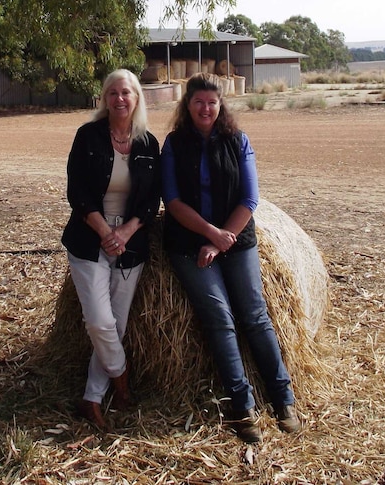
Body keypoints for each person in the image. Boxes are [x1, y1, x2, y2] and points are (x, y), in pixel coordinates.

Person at [160, 73, 301, 443]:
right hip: (190, 243)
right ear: (187, 106)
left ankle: (283, 399)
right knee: (220, 318)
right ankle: (243, 406)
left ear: (220, 105)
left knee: (255, 316)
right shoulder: (174, 145)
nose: (205, 108)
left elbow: (249, 199)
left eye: (212, 102)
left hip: (236, 240)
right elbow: (173, 202)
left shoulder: (238, 141)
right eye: (198, 102)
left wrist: (223, 240)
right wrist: (210, 236)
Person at [61, 69, 161, 431]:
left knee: (115, 327)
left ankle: (91, 398)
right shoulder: (88, 136)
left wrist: (128, 230)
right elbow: (77, 193)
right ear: (104, 98)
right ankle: (121, 380)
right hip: (90, 237)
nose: (120, 99)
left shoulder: (149, 144)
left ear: (137, 99)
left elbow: (152, 200)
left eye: (127, 93)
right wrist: (106, 232)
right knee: (99, 322)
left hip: (130, 242)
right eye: (113, 93)